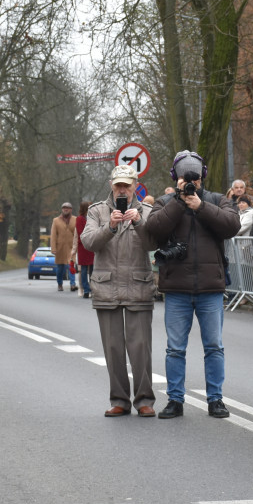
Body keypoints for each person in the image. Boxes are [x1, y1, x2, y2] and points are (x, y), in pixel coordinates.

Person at [144, 150, 240, 419]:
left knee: (214, 347)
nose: (191, 183)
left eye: (195, 178)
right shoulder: (164, 202)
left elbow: (232, 225)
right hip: (177, 288)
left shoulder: (217, 200)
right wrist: (178, 202)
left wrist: (201, 206)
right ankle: (175, 400)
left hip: (210, 288)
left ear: (202, 177)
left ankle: (215, 399)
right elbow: (154, 229)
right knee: (175, 349)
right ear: (175, 178)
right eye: (186, 179)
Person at [81, 165, 157, 417]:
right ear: (111, 185)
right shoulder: (97, 211)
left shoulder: (148, 211)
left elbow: (154, 243)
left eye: (127, 185)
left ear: (136, 185)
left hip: (138, 285)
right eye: (118, 185)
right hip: (107, 287)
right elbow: (88, 242)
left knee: (140, 348)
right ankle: (119, 400)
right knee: (113, 349)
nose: (122, 190)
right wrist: (110, 226)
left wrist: (139, 222)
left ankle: (144, 399)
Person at [51, 202, 78, 292]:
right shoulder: (56, 220)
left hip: (71, 247)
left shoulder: (75, 219)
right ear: (62, 209)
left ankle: (72, 284)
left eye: (67, 208)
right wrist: (53, 248)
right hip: (60, 248)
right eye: (64, 208)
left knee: (71, 266)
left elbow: (78, 233)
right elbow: (53, 235)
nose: (65, 209)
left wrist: (78, 246)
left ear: (71, 210)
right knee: (60, 268)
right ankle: (60, 284)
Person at [75, 201, 95, 298]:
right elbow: (80, 232)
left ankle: (93, 288)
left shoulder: (92, 217)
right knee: (83, 269)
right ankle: (86, 290)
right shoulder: (79, 219)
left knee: (92, 269)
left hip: (92, 245)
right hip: (83, 246)